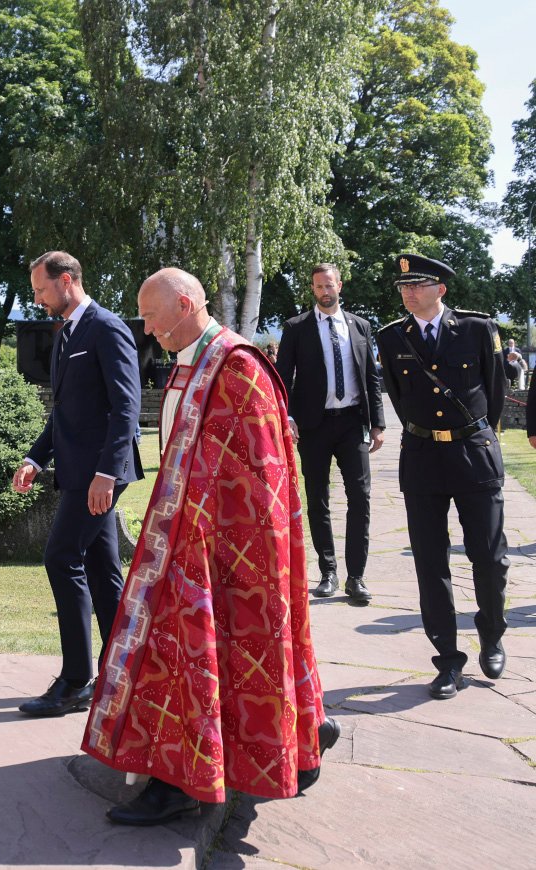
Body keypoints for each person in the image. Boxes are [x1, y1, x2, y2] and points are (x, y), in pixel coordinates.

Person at [83, 268, 335, 826]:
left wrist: (206, 535)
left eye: (152, 316)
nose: (147, 329)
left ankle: (182, 782)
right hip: (184, 543)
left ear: (185, 304)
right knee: (182, 660)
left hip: (224, 550)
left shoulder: (238, 365)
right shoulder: (189, 361)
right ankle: (278, 743)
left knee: (199, 659)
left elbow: (263, 476)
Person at [11, 251, 143, 717]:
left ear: (66, 280)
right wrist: (34, 458)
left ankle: (74, 681)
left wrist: (107, 473)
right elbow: (64, 412)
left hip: (100, 474)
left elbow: (126, 408)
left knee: (61, 556)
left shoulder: (106, 328)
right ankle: (121, 672)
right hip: (76, 472)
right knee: (103, 571)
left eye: (41, 290)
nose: (37, 299)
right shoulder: (67, 332)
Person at [377, 253, 510, 700]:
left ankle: (492, 635)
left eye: (418, 285)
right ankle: (448, 660)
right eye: (404, 287)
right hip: (422, 458)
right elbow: (399, 396)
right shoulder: (391, 337)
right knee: (430, 564)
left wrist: (475, 433)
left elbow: (495, 391)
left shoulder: (477, 329)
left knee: (489, 557)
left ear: (441, 289)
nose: (409, 293)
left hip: (473, 453)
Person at [275, 263, 385, 603]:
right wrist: (286, 416)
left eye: (329, 285)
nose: (325, 291)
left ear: (340, 285)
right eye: (319, 286)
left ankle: (356, 577)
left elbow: (372, 378)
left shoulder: (360, 326)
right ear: (313, 289)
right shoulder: (296, 328)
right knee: (317, 498)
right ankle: (328, 572)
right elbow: (282, 378)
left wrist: (378, 424)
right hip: (314, 425)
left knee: (360, 498)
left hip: (353, 423)